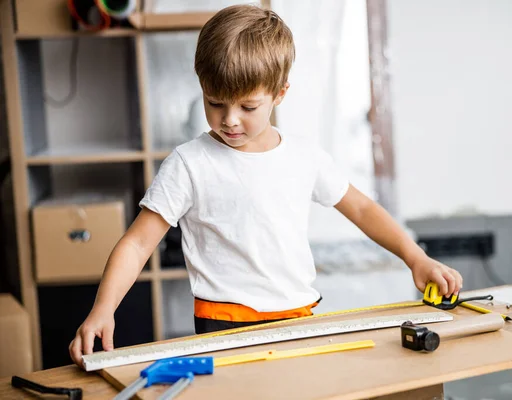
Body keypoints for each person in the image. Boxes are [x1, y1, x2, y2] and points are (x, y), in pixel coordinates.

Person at [69, 4, 463, 368]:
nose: (229, 120)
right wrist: (103, 309)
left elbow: (362, 209)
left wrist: (416, 258)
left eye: (247, 106)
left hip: (300, 318)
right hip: (223, 323)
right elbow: (138, 243)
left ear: (279, 95)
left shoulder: (304, 157)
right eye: (215, 102)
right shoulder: (189, 164)